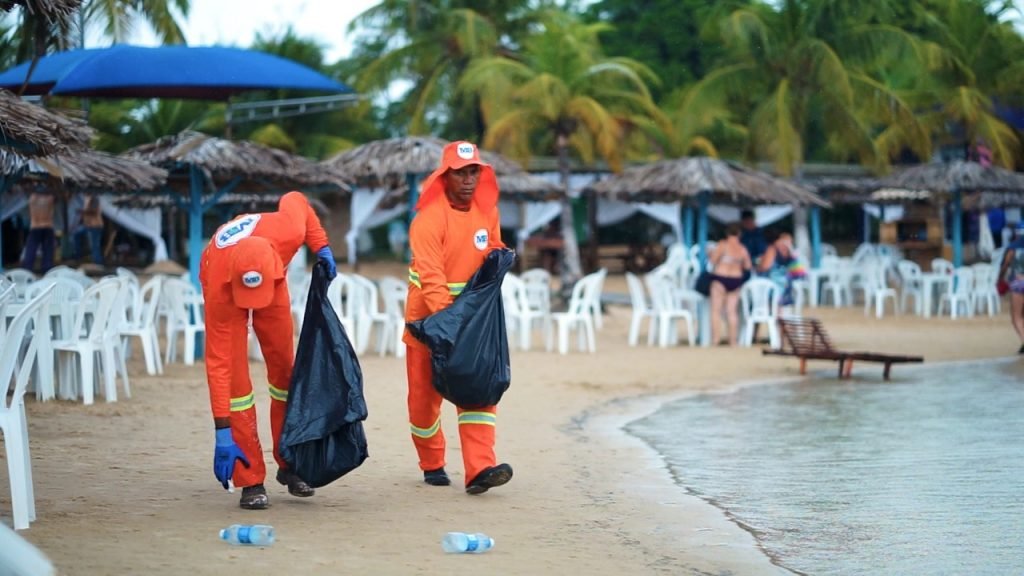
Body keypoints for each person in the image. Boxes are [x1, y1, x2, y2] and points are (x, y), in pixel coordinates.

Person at [198, 191, 337, 509]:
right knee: (237, 386)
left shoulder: (288, 230)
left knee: (285, 372)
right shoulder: (218, 286)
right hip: (227, 283)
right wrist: (222, 430)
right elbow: (218, 366)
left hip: (271, 279)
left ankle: (290, 463)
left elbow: (296, 198)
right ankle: (250, 479)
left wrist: (322, 245)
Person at [403, 140, 513, 494]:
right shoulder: (428, 221)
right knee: (423, 404)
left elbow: (491, 248)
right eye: (460, 173)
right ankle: (432, 461)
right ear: (444, 177)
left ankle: (480, 470)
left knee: (479, 391)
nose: (468, 179)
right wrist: (452, 328)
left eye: (473, 172)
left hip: (471, 324)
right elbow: (432, 280)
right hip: (428, 326)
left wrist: (500, 255)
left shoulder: (487, 213)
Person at [708, 224, 752, 346]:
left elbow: (712, 261)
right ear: (739, 234)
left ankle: (715, 340)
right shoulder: (742, 249)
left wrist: (711, 254)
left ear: (727, 234)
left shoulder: (723, 245)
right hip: (736, 280)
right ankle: (733, 341)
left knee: (715, 311)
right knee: (731, 312)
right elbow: (748, 266)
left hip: (720, 278)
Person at [757, 231, 807, 306]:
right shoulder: (791, 253)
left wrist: (758, 267)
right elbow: (801, 273)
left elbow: (765, 267)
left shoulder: (773, 249)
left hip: (772, 285)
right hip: (786, 285)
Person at [998, 221, 1024, 354]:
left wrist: (1000, 278)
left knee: (1016, 317)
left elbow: (1005, 265)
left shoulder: (1013, 247)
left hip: (1019, 283)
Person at [21, 189, 56, 273]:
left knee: (31, 249)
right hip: (47, 225)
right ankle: (47, 269)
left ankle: (27, 269)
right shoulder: (50, 198)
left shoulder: (32, 198)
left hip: (35, 226)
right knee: (47, 251)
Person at [74, 192, 105, 266]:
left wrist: (82, 211)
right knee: (76, 235)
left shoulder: (94, 198)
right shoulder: (86, 199)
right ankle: (79, 256)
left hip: (95, 225)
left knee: (95, 245)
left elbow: (93, 211)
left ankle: (98, 262)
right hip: (88, 225)